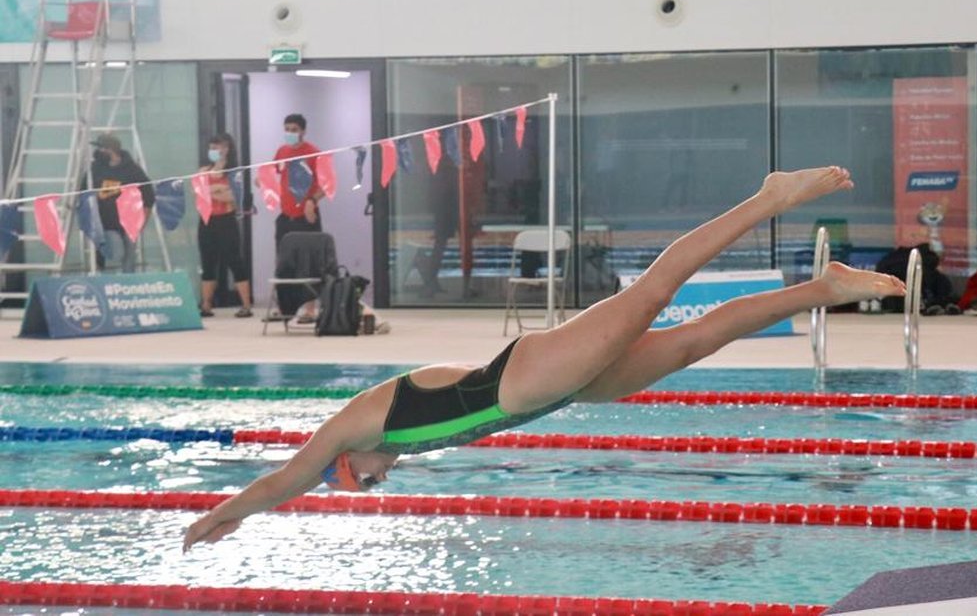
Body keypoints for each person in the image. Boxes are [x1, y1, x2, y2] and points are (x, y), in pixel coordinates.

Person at [183, 167, 905, 551]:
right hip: (549, 392)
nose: (372, 485)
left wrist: (225, 512)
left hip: (525, 378)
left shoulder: (357, 423)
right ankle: (822, 287)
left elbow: (288, 476)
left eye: (358, 486)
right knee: (692, 341)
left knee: (655, 292)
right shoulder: (389, 441)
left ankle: (766, 196)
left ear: (349, 464)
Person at [273, 114, 323, 321]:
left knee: (309, 262)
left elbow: (326, 185)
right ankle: (284, 307)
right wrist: (263, 181)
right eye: (287, 129)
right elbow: (273, 173)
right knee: (283, 263)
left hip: (306, 215)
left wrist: (312, 200)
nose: (290, 133)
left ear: (303, 131)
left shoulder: (314, 153)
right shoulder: (282, 152)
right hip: (286, 215)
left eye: (294, 129)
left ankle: (310, 308)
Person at [197, 133, 253, 318]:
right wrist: (219, 190)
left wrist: (211, 191)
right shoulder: (203, 170)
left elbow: (234, 198)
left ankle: (245, 304)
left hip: (226, 220)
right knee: (208, 263)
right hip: (207, 221)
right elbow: (198, 193)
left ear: (226, 149)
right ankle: (206, 304)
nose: (213, 151)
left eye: (217, 147)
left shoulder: (233, 173)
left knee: (234, 261)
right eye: (211, 147)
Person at [90, 133, 155, 273]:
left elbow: (148, 196)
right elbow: (83, 193)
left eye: (101, 149)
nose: (98, 152)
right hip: (105, 224)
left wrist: (142, 222)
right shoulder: (95, 168)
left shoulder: (132, 169)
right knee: (115, 251)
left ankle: (128, 287)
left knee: (129, 259)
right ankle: (105, 283)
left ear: (110, 150)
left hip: (129, 224)